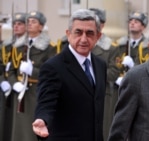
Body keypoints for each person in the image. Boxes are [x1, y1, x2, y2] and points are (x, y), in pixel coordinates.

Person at [32, 9, 107, 141]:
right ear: (68, 34)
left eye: (89, 33)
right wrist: (42, 119)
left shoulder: (100, 65)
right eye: (78, 32)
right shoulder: (53, 67)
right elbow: (46, 101)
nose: (83, 39)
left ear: (98, 37)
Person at [6, 10, 56, 141]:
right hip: (20, 94)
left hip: (36, 92)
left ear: (41, 26)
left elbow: (51, 74)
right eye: (28, 21)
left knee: (32, 129)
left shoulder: (49, 47)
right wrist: (14, 83)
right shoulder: (18, 46)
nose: (29, 24)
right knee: (19, 130)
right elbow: (11, 70)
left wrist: (32, 71)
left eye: (34, 22)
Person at [89, 7, 120, 141]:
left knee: (101, 131)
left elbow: (113, 72)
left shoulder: (111, 47)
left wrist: (90, 74)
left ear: (102, 25)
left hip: (102, 93)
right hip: (81, 92)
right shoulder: (80, 44)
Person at [0, 12, 27, 141]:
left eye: (20, 24)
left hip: (20, 87)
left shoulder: (27, 46)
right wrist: (2, 81)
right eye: (14, 24)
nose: (16, 27)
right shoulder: (6, 45)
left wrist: (14, 82)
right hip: (5, 86)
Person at [114, 11, 149, 86]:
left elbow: (148, 68)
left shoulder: (148, 46)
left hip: (140, 85)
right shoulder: (120, 44)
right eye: (130, 21)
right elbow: (114, 64)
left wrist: (133, 65)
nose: (132, 23)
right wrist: (116, 78)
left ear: (143, 27)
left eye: (136, 22)